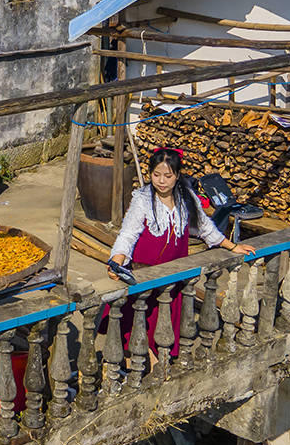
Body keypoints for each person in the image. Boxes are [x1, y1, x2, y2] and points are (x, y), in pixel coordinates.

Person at [106, 148, 254, 358]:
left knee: (164, 321)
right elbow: (128, 234)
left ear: (177, 175)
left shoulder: (187, 198)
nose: (161, 181)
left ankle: (159, 360)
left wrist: (232, 246)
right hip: (145, 272)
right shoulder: (143, 200)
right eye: (156, 175)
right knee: (138, 320)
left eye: (168, 176)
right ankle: (137, 360)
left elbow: (205, 228)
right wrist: (117, 259)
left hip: (175, 273)